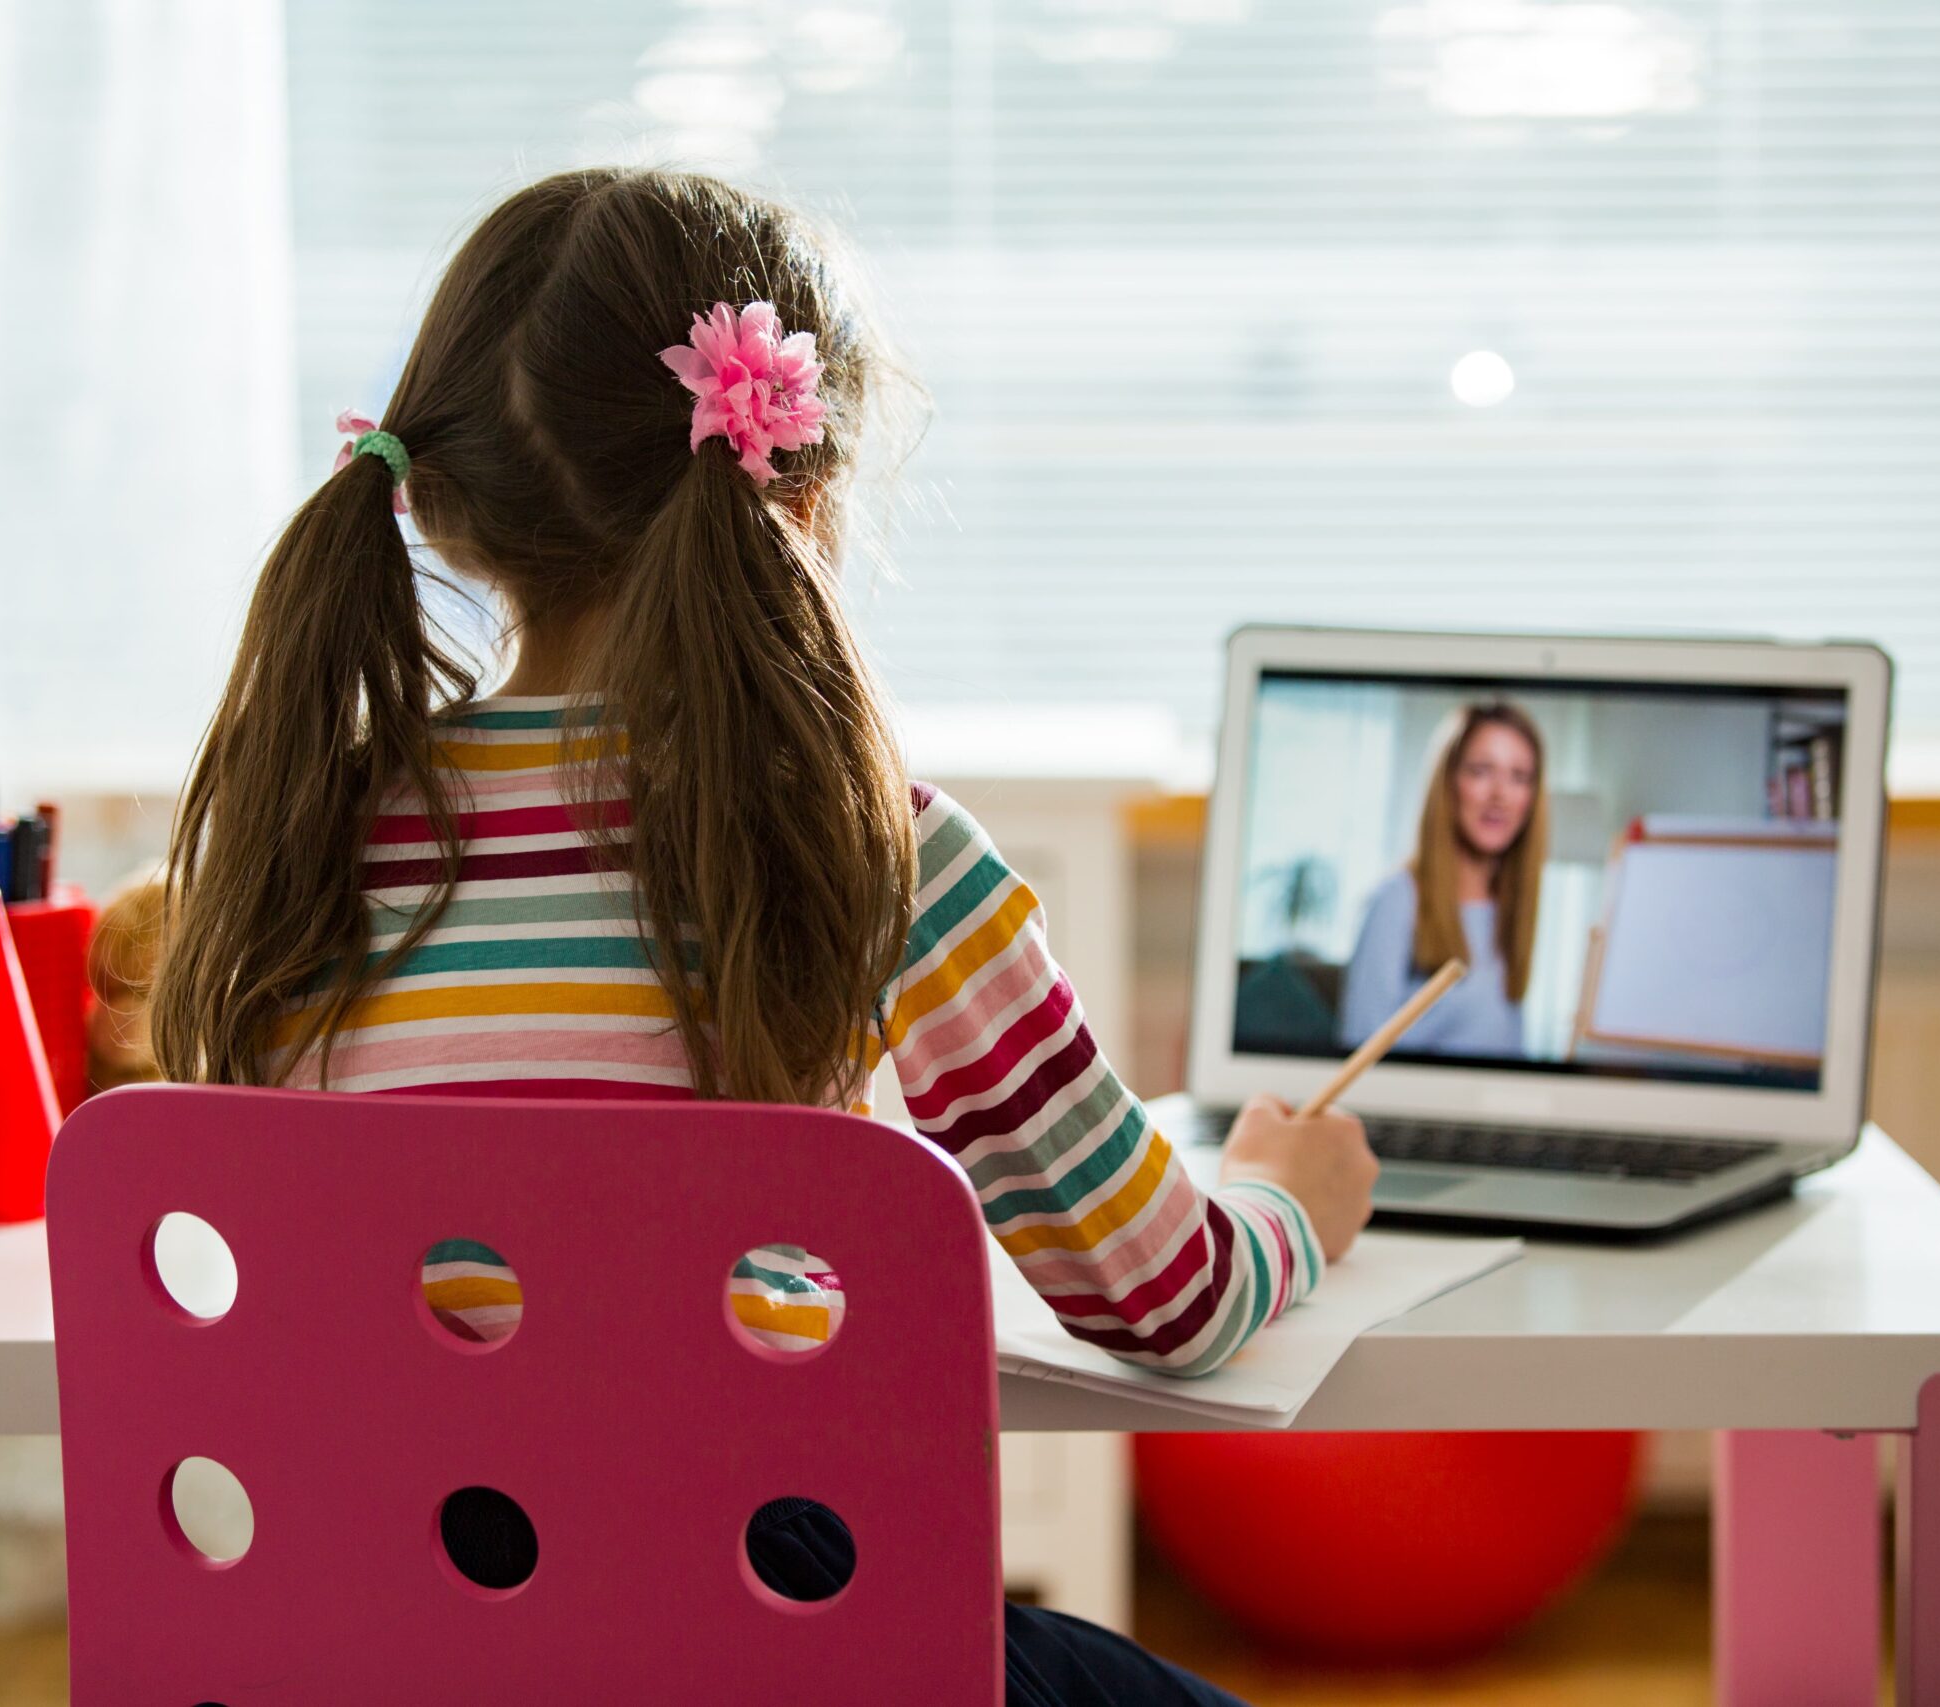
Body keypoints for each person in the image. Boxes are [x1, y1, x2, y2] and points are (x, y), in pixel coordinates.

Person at [149, 167, 1376, 1706]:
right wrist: (1283, 1198)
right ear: (802, 480)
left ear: (438, 495)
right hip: (767, 1638)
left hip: (366, 1638)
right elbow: (1163, 1298)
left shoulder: (296, 837)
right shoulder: (877, 844)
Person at [1339, 702, 1549, 1057]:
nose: (1500, 794)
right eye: (1481, 771)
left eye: (1519, 777)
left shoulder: (1511, 909)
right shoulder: (1396, 900)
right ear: (1448, 781)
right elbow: (1359, 1050)